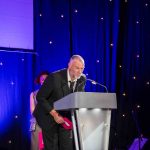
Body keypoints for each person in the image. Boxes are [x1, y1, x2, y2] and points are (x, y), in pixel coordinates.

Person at [33, 55, 86, 150]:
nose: (80, 71)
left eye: (82, 68)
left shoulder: (82, 79)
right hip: (48, 115)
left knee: (66, 146)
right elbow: (40, 97)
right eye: (77, 68)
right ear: (69, 66)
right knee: (52, 147)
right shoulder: (54, 77)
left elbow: (78, 98)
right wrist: (54, 114)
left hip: (65, 116)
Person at [30, 71, 49, 150]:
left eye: (47, 79)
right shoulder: (33, 94)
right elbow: (32, 111)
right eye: (42, 79)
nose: (44, 81)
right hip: (38, 124)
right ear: (39, 81)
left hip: (50, 123)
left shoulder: (55, 94)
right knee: (37, 147)